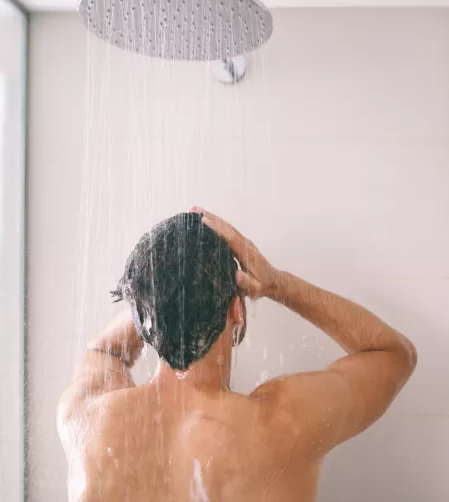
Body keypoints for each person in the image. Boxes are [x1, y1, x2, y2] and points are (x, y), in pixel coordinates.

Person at [57, 208, 417, 502]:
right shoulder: (284, 423)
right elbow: (393, 354)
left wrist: (159, 300)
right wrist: (276, 283)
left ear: (139, 315)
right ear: (236, 310)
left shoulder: (86, 420)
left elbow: (104, 350)